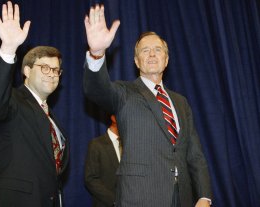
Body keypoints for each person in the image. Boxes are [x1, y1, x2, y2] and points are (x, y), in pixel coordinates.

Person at [83, 4, 212, 207]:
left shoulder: (180, 101)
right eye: (145, 50)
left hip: (183, 198)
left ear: (166, 60)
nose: (152, 54)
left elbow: (194, 154)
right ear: (136, 61)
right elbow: (96, 89)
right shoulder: (124, 93)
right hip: (141, 197)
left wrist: (204, 196)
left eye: (157, 50)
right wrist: (97, 53)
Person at [0, 2, 68, 207]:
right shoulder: (12, 100)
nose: (52, 74)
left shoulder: (51, 118)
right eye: (45, 67)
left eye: (56, 70)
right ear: (27, 71)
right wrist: (8, 49)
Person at [85, 115, 121, 207]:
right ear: (113, 118)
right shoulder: (96, 144)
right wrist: (114, 200)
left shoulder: (128, 145)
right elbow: (90, 179)